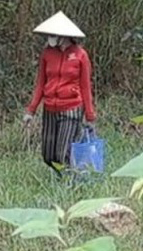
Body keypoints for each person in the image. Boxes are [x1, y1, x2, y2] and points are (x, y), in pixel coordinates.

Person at [24, 12, 96, 175]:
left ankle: (68, 182)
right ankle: (68, 174)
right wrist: (31, 110)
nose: (50, 37)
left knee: (62, 153)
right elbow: (40, 83)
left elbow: (86, 87)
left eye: (54, 34)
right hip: (50, 108)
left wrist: (90, 115)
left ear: (64, 35)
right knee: (48, 155)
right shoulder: (47, 54)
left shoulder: (80, 55)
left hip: (71, 108)